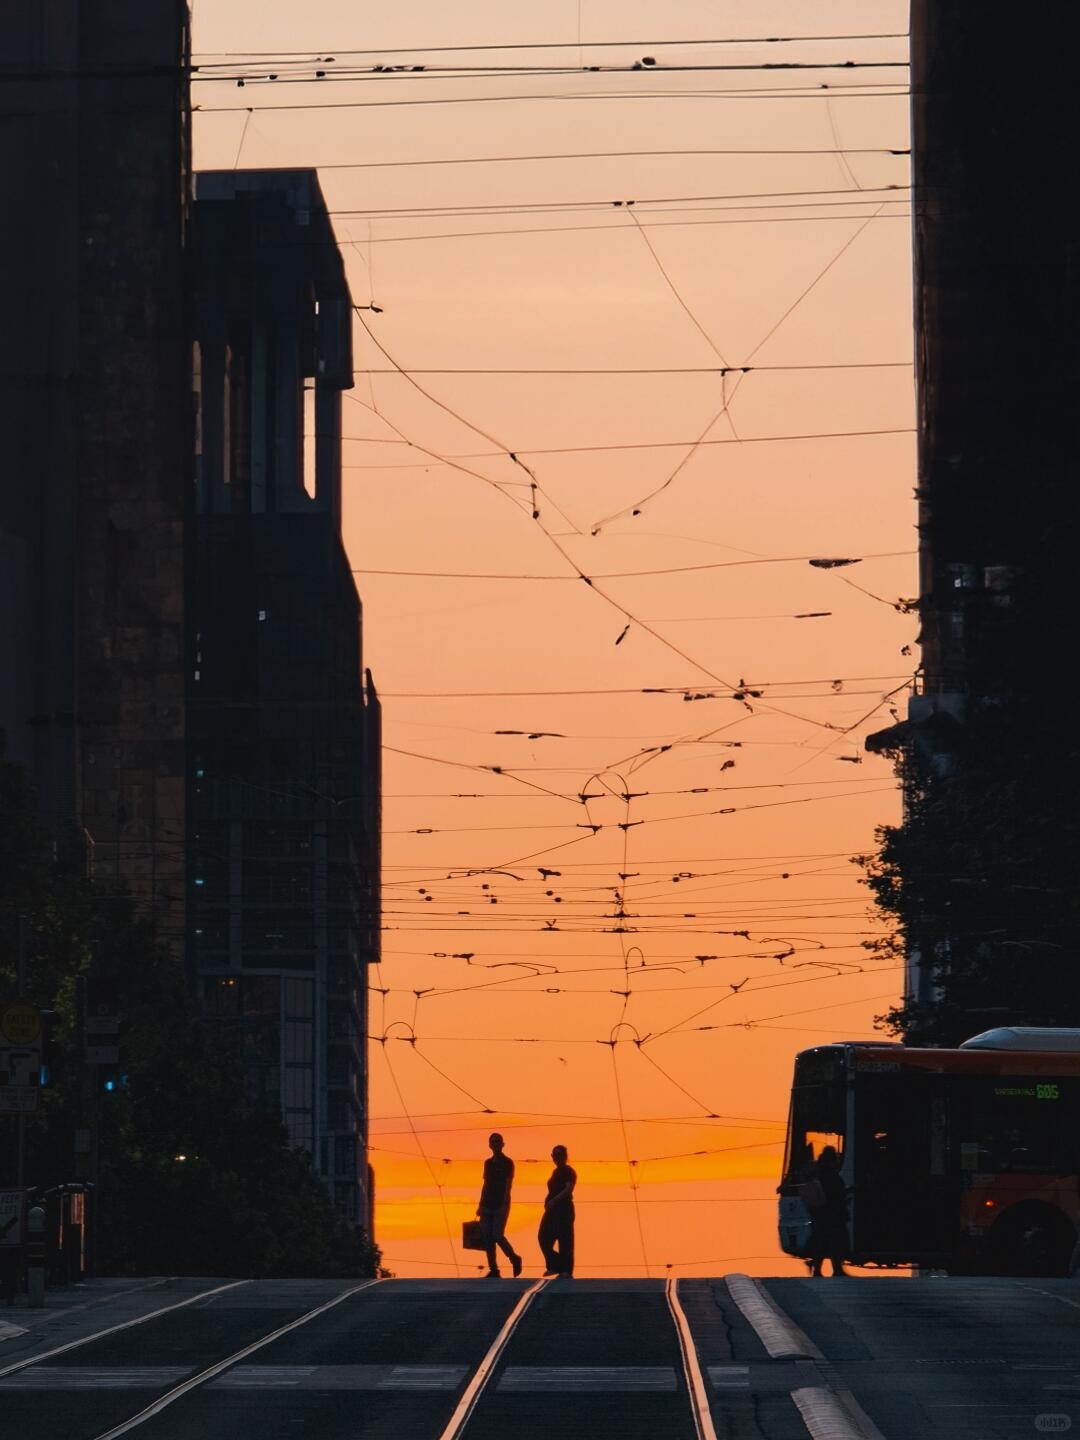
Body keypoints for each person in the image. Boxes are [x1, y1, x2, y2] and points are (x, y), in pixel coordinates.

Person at [477, 1132, 523, 1278]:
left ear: (502, 1144)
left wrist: (504, 1202)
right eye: (493, 1142)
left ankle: (514, 1258)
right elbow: (485, 1184)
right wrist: (480, 1204)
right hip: (486, 1205)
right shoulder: (488, 1163)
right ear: (490, 1145)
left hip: (500, 1204)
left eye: (498, 1142)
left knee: (497, 1235)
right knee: (487, 1238)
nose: (496, 1144)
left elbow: (508, 1184)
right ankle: (494, 1269)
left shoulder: (508, 1162)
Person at [808, 1145, 849, 1277]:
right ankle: (836, 1269)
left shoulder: (819, 1174)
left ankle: (818, 1269)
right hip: (833, 1215)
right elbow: (837, 1196)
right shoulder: (832, 1177)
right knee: (835, 1242)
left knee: (822, 1241)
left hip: (820, 1214)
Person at [538, 1143, 577, 1277]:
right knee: (543, 1237)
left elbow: (568, 1189)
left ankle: (566, 1270)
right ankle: (555, 1265)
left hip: (564, 1209)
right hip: (551, 1211)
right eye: (555, 1155)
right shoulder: (555, 1172)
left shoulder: (569, 1171)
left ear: (565, 1156)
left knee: (565, 1239)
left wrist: (554, 1200)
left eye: (560, 1155)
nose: (557, 1158)